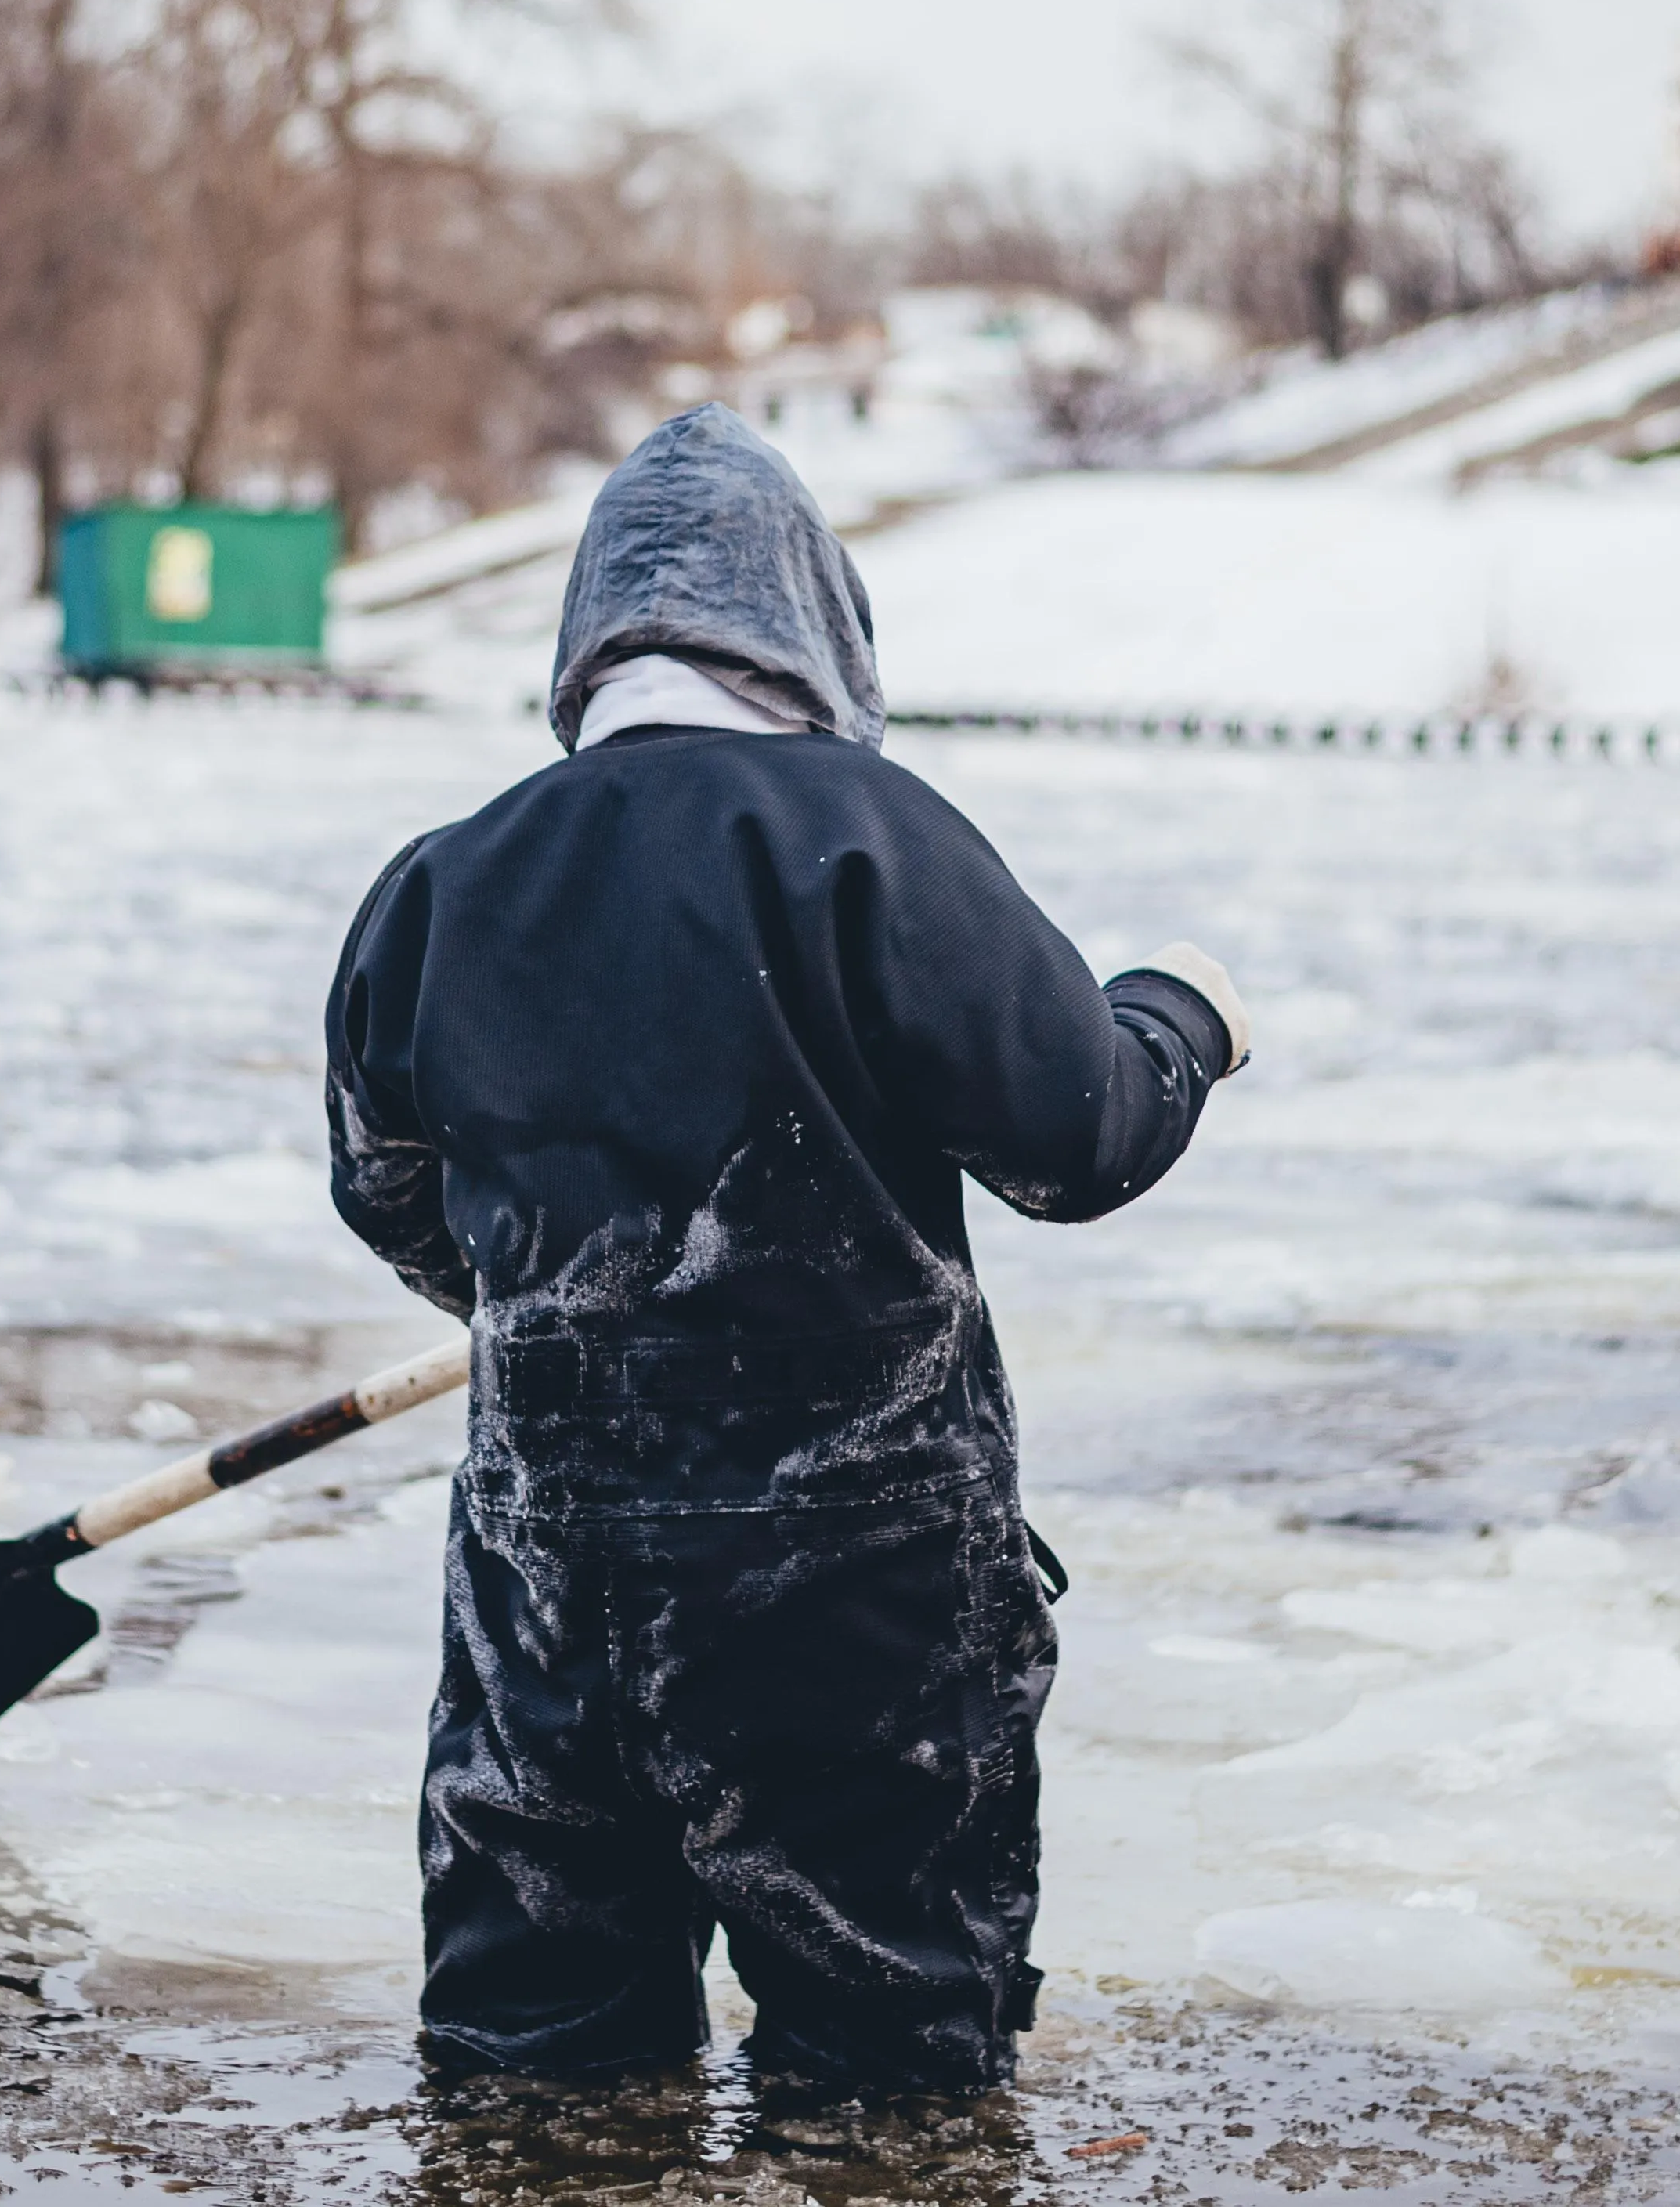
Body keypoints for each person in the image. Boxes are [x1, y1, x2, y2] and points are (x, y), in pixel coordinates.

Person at [322, 403, 1252, 2097]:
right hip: (858, 1601)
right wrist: (1176, 1015)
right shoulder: (867, 840)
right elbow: (1077, 1139)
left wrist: (552, 1290)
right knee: (887, 2085)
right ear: (818, 626)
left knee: (536, 2076)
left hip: (550, 1597)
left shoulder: (439, 886)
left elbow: (393, 1197)